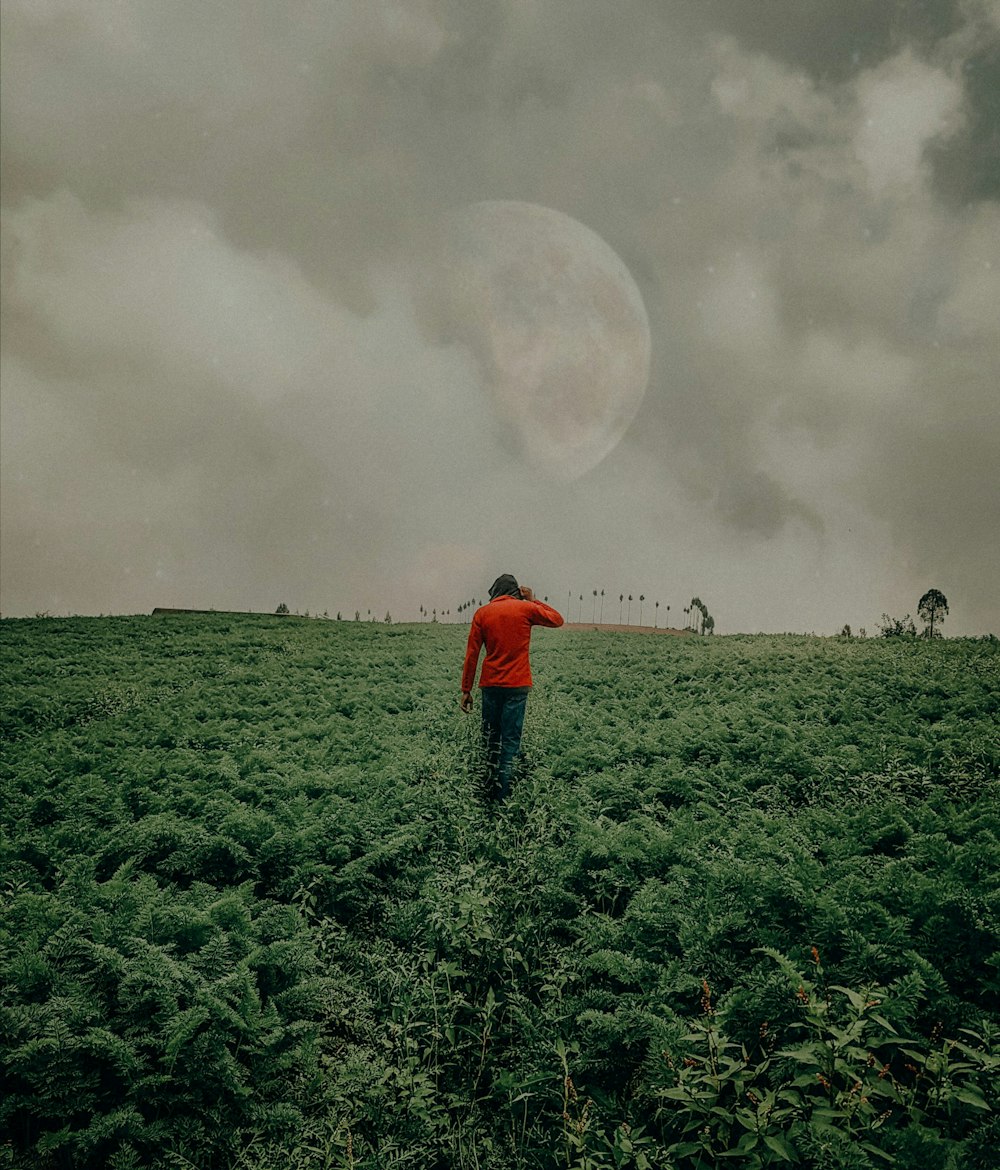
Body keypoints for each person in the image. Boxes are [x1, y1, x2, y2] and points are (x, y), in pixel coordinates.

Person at [460, 573, 564, 800]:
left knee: (490, 738)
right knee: (510, 741)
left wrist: (466, 690)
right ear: (516, 591)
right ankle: (503, 797)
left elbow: (472, 655)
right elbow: (557, 619)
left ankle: (485, 788)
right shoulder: (525, 609)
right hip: (517, 685)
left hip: (491, 685)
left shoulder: (482, 613)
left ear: (495, 591)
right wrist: (532, 599)